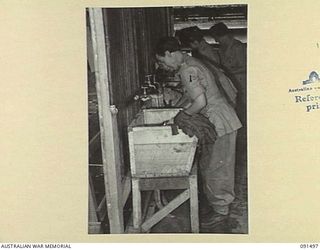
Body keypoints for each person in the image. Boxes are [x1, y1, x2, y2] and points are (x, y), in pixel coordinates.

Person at [155, 37, 242, 228]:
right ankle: (218, 206)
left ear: (170, 54)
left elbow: (200, 102)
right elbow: (192, 96)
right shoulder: (192, 61)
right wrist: (179, 108)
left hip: (219, 121)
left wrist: (180, 117)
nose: (164, 65)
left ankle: (221, 212)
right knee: (212, 166)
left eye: (162, 61)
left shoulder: (188, 69)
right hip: (221, 117)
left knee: (217, 169)